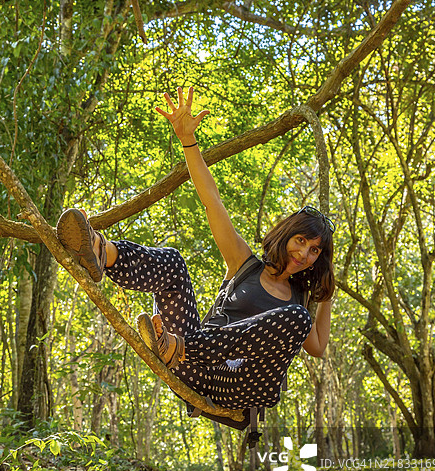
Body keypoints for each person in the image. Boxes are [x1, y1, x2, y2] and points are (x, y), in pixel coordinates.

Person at [56, 86, 334, 413]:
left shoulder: (299, 301)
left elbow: (317, 347)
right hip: (193, 365)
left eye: (314, 251)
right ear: (287, 235)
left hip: (242, 385)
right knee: (173, 262)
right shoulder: (246, 265)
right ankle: (101, 250)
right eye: (301, 241)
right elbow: (211, 200)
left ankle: (176, 346)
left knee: (298, 318)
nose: (304, 254)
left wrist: (326, 288)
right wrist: (188, 140)